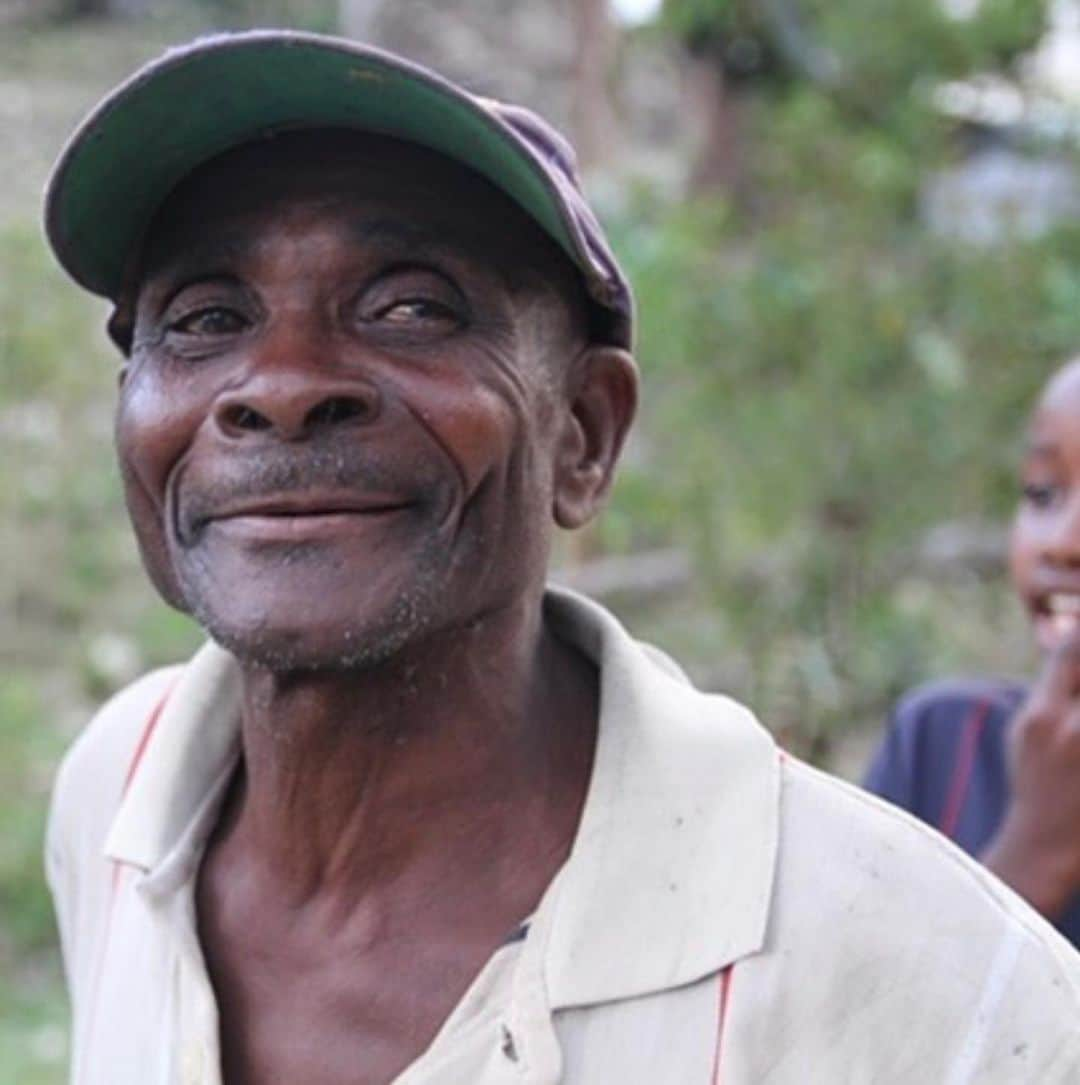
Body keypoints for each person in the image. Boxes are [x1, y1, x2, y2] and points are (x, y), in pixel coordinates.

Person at [43, 30, 1080, 1085]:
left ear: (583, 433)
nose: (283, 382)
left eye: (411, 306)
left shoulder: (947, 993)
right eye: (206, 317)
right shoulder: (120, 799)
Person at [866, 356, 1080, 948]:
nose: (1063, 543)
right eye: (1044, 494)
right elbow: (863, 1022)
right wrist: (1035, 847)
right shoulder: (938, 744)